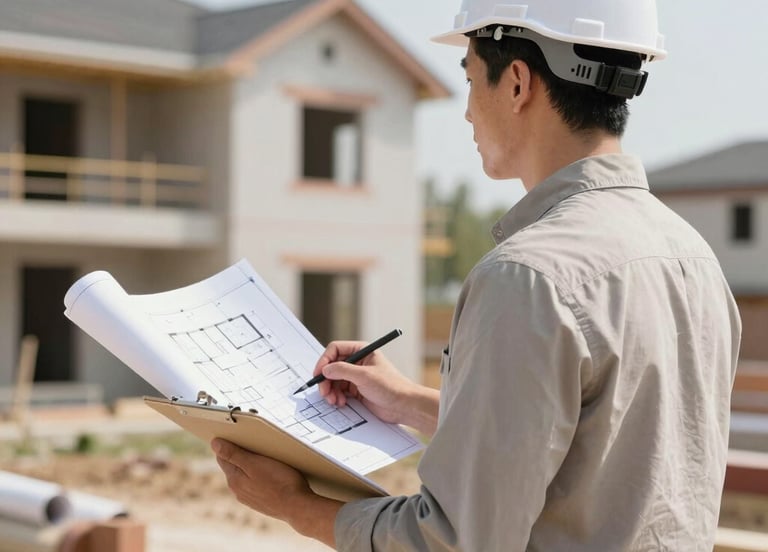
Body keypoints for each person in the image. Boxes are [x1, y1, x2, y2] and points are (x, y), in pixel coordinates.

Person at [212, 0, 742, 549]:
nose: (466, 112)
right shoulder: (694, 260)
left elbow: (456, 540)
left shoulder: (528, 277)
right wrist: (408, 401)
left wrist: (297, 506)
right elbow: (592, 449)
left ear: (516, 83)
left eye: (468, 78)